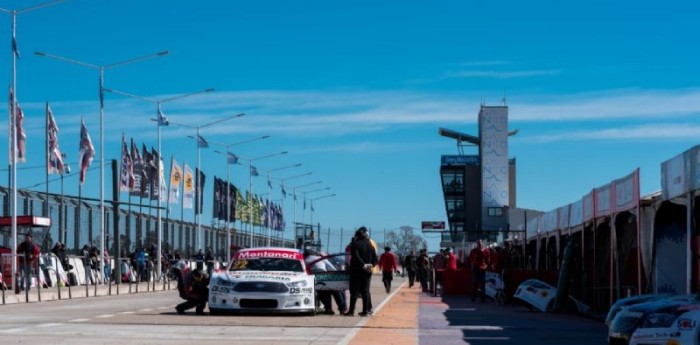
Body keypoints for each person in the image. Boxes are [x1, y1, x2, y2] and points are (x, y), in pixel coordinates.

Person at [343, 227, 377, 317]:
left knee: (354, 291)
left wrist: (363, 265)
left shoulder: (355, 244)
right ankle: (365, 311)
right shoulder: (370, 244)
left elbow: (356, 257)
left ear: (357, 236)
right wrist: (371, 265)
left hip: (356, 271)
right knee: (365, 291)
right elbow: (375, 258)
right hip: (367, 271)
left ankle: (351, 311)